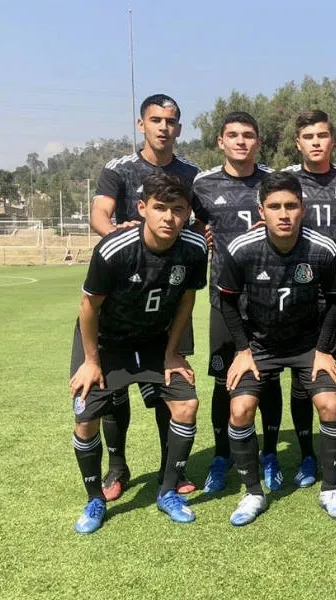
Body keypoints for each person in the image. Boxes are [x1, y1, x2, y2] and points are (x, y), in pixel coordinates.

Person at [69, 172, 207, 534]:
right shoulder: (115, 248)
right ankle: (95, 499)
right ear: (142, 208)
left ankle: (167, 492)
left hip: (152, 340)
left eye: (177, 210)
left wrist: (173, 353)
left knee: (186, 404)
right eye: (160, 208)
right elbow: (88, 306)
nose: (168, 218)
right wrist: (91, 360)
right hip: (105, 342)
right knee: (85, 419)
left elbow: (187, 299)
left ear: (187, 212)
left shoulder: (194, 248)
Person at [218, 172, 336, 524]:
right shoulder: (242, 250)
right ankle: (252, 494)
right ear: (262, 211)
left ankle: (331, 489)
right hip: (260, 346)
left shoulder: (322, 249)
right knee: (240, 410)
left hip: (308, 345)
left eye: (291, 205)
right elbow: (228, 302)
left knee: (330, 403)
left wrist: (324, 350)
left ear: (302, 209)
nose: (284, 213)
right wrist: (243, 350)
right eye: (275, 206)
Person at [89, 93, 199, 500]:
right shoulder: (119, 169)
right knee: (114, 390)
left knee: (168, 381)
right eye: (156, 120)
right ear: (142, 125)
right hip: (127, 286)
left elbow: (197, 218)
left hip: (170, 291)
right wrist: (124, 242)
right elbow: (99, 214)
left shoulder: (191, 171)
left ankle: (172, 468)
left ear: (179, 128)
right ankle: (117, 467)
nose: (163, 127)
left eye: (171, 121)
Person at [190, 111, 285, 493]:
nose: (241, 141)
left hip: (267, 298)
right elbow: (190, 221)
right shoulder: (203, 184)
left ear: (258, 141)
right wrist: (204, 235)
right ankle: (221, 455)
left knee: (270, 374)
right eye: (233, 135)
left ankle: (271, 454)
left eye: (248, 135)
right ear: (221, 141)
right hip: (223, 297)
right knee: (222, 378)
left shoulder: (273, 182)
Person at [282, 109, 336, 487]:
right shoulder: (286, 182)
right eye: (308, 136)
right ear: (298, 142)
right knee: (301, 377)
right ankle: (307, 456)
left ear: (332, 140)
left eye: (322, 135)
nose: (316, 142)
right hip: (299, 290)